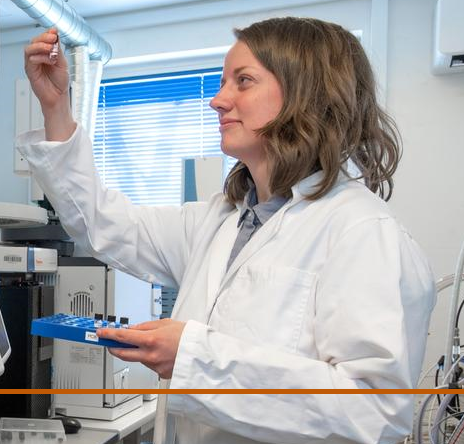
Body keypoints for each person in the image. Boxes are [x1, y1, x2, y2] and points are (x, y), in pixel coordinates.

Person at [19, 16, 435, 444]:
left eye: (243, 81)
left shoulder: (364, 233)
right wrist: (56, 107)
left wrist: (195, 359)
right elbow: (100, 222)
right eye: (221, 83)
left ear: (307, 94)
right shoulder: (221, 221)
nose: (217, 101)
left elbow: (376, 410)